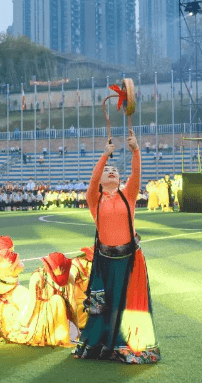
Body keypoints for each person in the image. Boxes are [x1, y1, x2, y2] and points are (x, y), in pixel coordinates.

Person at [74, 130, 161, 364]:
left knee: (128, 306)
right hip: (104, 261)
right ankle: (100, 345)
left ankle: (126, 346)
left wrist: (136, 150)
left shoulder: (128, 195)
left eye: (114, 170)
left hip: (130, 260)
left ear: (120, 179)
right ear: (101, 179)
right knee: (102, 308)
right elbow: (92, 182)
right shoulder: (95, 198)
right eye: (107, 171)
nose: (111, 171)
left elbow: (136, 173)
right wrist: (104, 156)